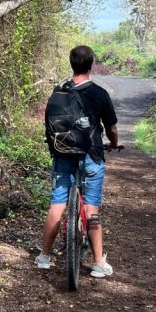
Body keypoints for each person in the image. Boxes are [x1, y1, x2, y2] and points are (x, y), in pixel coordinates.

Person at [36, 45, 123, 277]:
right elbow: (111, 129)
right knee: (91, 206)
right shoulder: (99, 94)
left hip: (63, 154)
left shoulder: (58, 92)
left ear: (71, 63)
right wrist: (114, 144)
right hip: (91, 156)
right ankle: (98, 263)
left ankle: (44, 256)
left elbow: (49, 127)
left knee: (57, 204)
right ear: (91, 64)